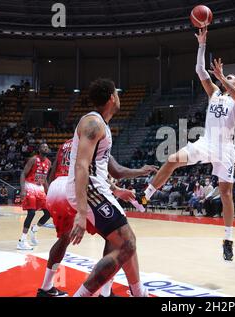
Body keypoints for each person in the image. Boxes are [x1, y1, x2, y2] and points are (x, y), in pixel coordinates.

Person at [140, 27, 235, 261]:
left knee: (226, 194)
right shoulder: (215, 94)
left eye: (231, 79)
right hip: (206, 142)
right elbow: (199, 69)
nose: (227, 79)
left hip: (226, 149)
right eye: (225, 77)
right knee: (171, 161)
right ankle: (146, 195)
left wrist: (221, 78)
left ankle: (228, 240)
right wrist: (202, 44)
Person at [67, 78, 157, 297]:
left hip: (99, 189)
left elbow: (112, 170)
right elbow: (81, 165)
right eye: (117, 93)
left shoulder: (102, 127)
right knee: (127, 243)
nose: (119, 98)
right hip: (89, 191)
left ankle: (138, 292)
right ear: (111, 98)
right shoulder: (93, 123)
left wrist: (117, 190)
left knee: (126, 243)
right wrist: (80, 212)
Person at [38, 138, 156, 297]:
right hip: (75, 187)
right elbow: (117, 171)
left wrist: (51, 195)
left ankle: (46, 287)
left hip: (55, 189)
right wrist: (141, 171)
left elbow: (52, 174)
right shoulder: (94, 136)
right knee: (116, 238)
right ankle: (106, 293)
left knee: (64, 238)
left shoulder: (65, 144)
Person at [17, 143, 52, 250]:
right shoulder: (33, 160)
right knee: (31, 213)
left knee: (48, 213)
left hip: (40, 188)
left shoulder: (49, 163)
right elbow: (23, 173)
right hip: (29, 187)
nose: (45, 148)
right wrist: (22, 189)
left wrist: (49, 191)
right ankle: (22, 241)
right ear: (39, 149)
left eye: (47, 147)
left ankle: (34, 229)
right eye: (43, 147)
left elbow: (45, 179)